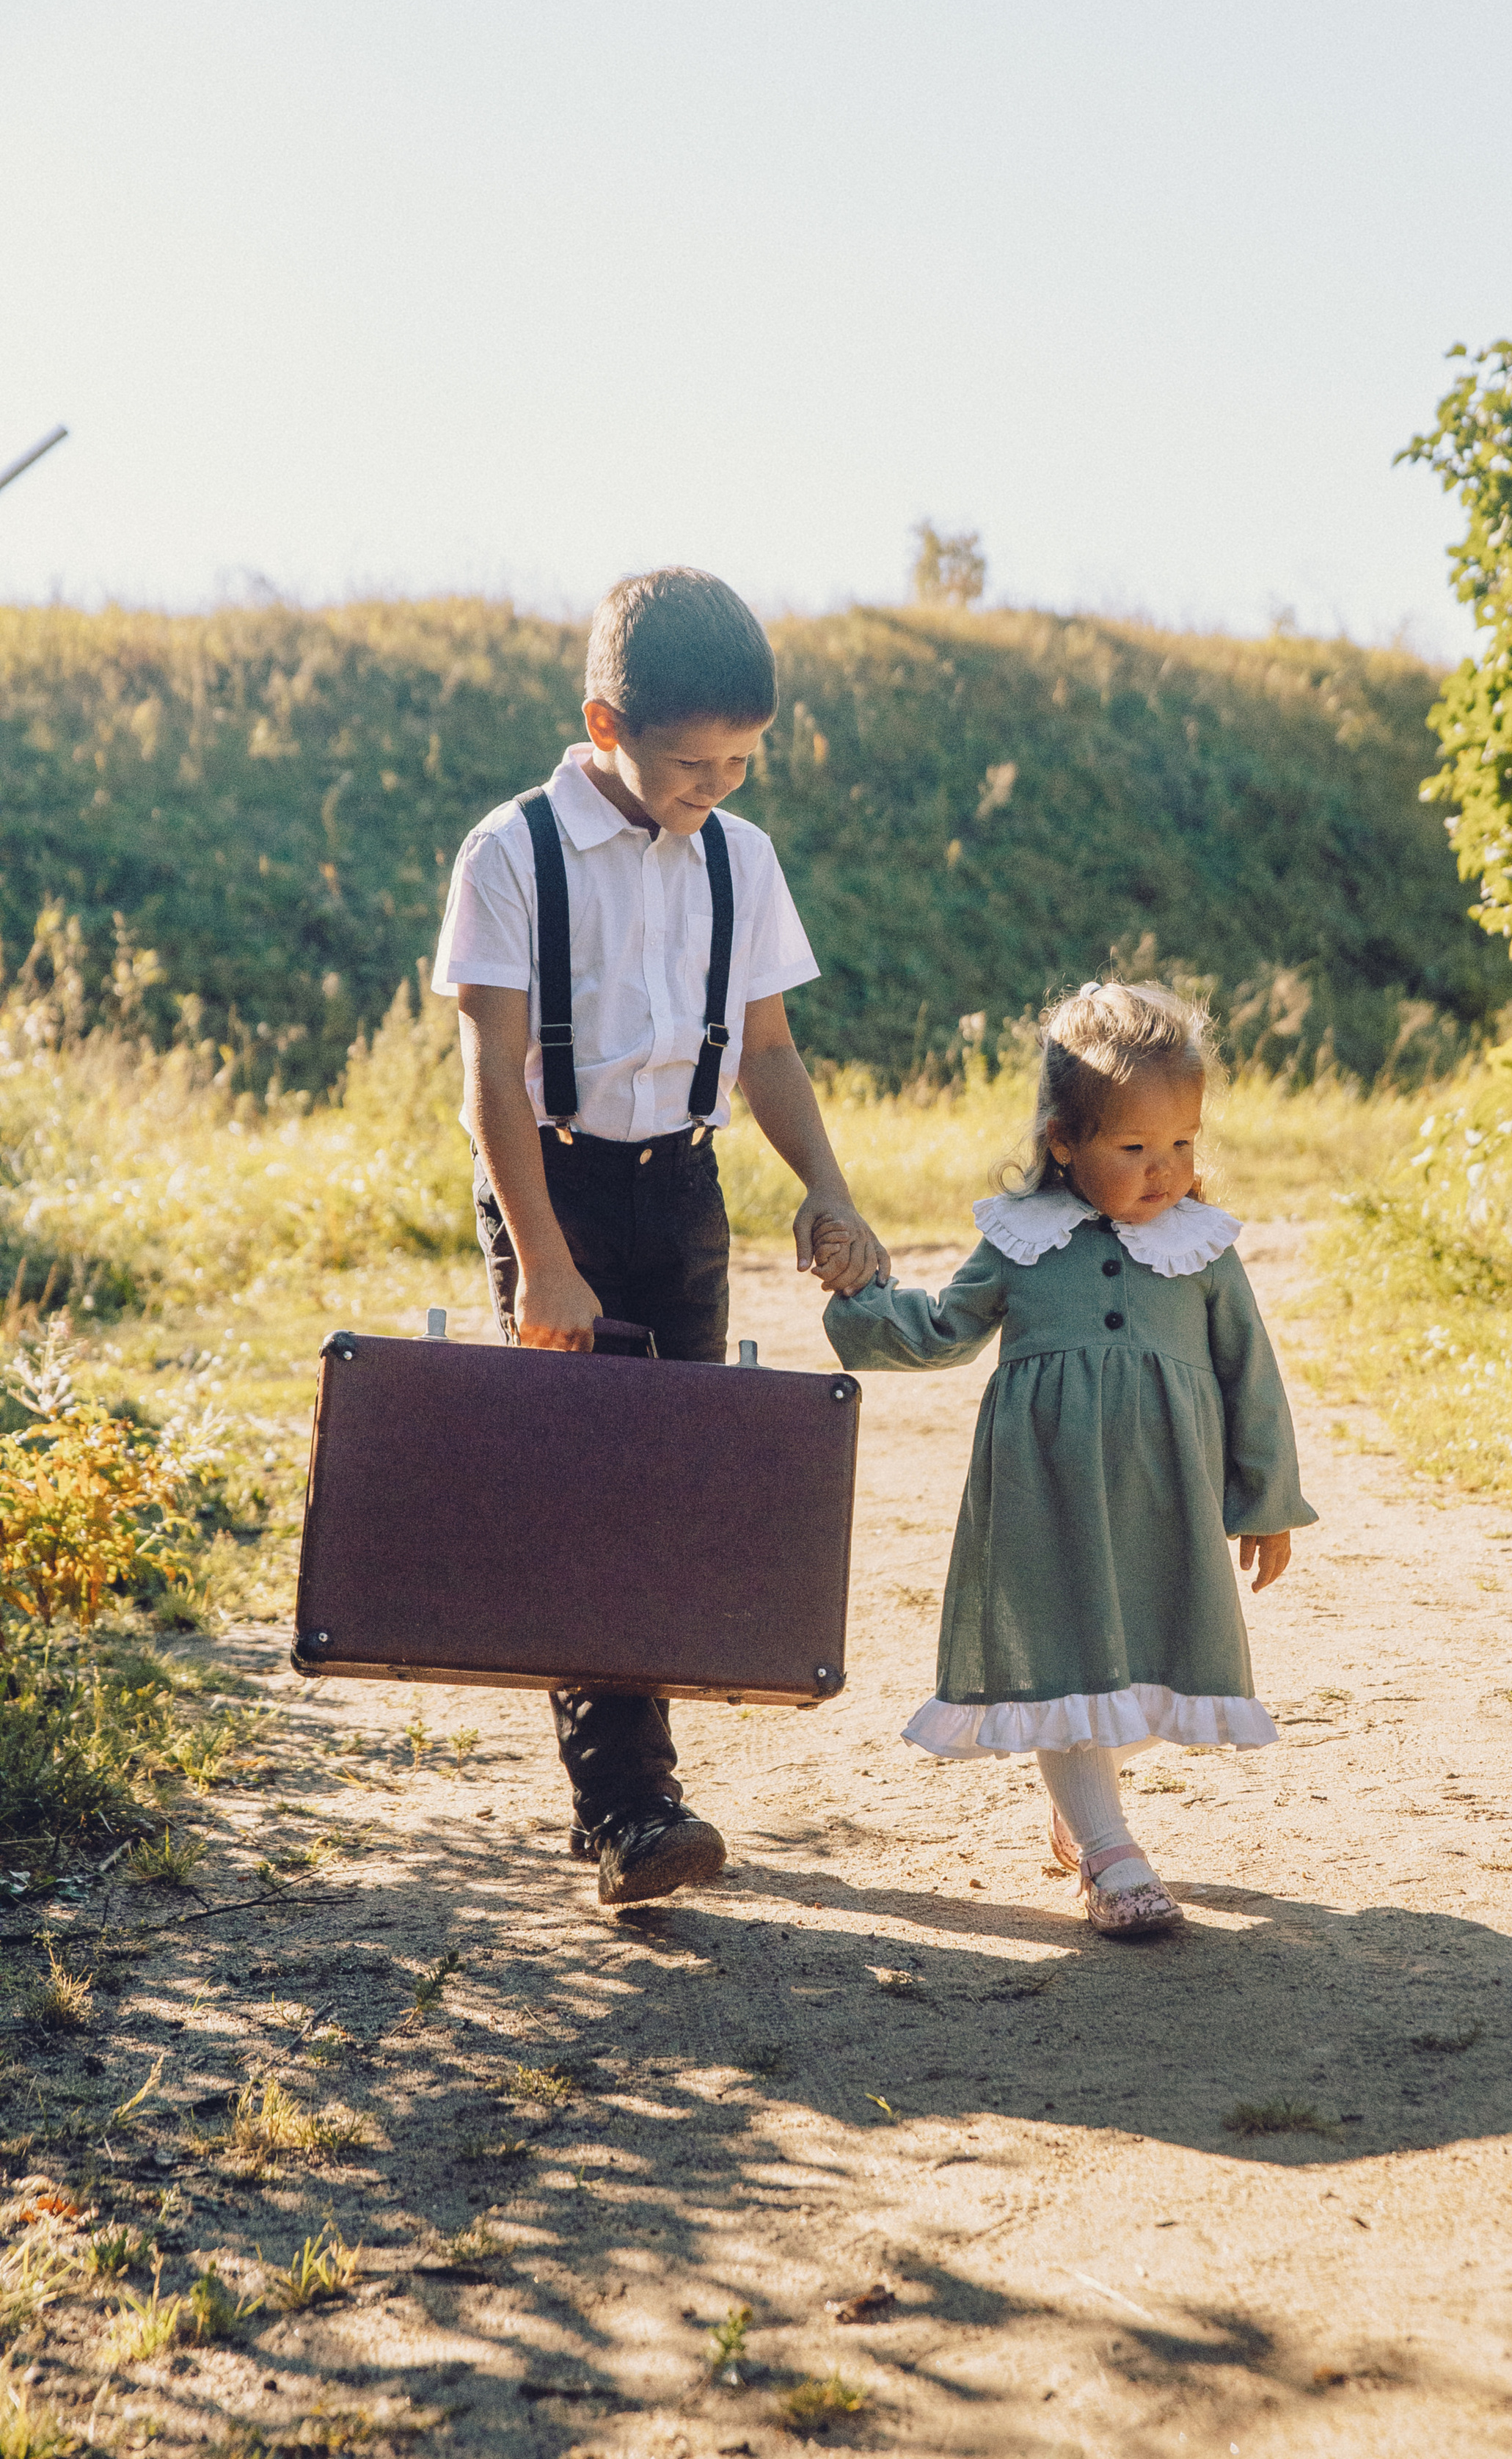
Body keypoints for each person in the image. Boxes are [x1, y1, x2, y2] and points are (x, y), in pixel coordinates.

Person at [434, 566, 888, 1908]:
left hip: (684, 1190)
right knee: (594, 1487)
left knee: (674, 1475)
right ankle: (630, 1808)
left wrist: (827, 1187)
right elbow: (488, 1076)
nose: (719, 785)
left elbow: (769, 1052)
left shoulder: (743, 859)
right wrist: (544, 1260)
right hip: (553, 1193)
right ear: (605, 725)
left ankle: (641, 1787)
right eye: (694, 763)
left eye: (742, 761)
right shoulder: (511, 851)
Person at [822, 979, 1315, 1939]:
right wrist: (858, 1301)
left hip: (1162, 1499)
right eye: (1134, 1149)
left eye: (1182, 1144)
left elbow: (1250, 1376)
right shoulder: (1023, 1243)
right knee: (1067, 1666)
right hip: (1044, 1491)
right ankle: (1108, 1849)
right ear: (1063, 1141)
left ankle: (1082, 1808)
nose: (1165, 1171)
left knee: (1153, 1661)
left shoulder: (1202, 1249)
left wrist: (1267, 1499)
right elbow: (943, 1329)